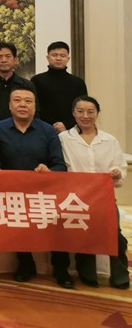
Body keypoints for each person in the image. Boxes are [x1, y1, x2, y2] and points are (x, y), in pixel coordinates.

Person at [0, 87, 71, 288]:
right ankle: (26, 264)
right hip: (12, 192)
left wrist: (48, 170)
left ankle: (61, 269)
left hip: (44, 193)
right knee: (19, 227)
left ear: (35, 107)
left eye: (28, 101)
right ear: (9, 106)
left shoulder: (48, 131)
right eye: (17, 100)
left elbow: (60, 165)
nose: (22, 105)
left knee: (55, 228)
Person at [59, 96, 128, 289]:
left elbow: (120, 167)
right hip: (77, 198)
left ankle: (120, 276)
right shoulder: (64, 139)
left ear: (97, 114)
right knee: (85, 235)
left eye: (91, 112)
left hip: (104, 197)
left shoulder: (109, 140)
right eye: (80, 111)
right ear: (73, 113)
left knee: (115, 236)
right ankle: (87, 273)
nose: (85, 116)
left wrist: (116, 173)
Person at [31, 41, 88, 132]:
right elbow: (34, 107)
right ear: (48, 57)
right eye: (54, 55)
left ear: (68, 59)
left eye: (62, 55)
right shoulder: (36, 81)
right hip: (42, 130)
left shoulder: (78, 83)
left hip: (71, 130)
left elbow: (82, 108)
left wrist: (66, 125)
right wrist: (48, 126)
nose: (58, 58)